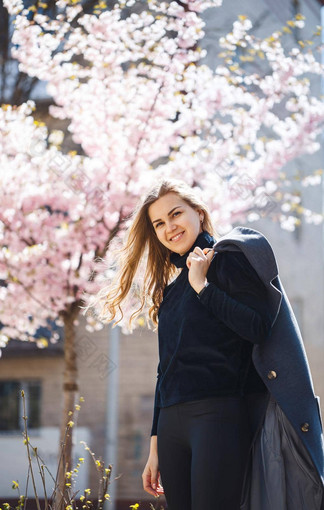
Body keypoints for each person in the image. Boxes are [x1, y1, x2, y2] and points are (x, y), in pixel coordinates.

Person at [86, 177, 324, 510]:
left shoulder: (228, 259)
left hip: (219, 415)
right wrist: (155, 446)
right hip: (171, 426)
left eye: (176, 214)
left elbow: (257, 328)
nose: (169, 227)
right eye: (159, 223)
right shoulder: (171, 292)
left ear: (198, 213)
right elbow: (164, 371)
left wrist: (204, 287)